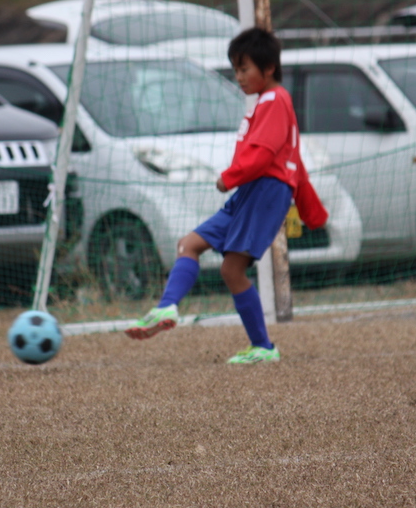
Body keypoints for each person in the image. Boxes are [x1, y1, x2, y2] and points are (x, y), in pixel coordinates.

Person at [124, 26, 328, 363]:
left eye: (244, 69)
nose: (239, 77)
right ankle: (166, 308)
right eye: (236, 69)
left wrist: (229, 177)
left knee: (231, 270)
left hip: (264, 192)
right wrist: (312, 211)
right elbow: (295, 163)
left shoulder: (275, 101)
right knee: (189, 244)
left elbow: (264, 156)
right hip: (252, 191)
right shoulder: (270, 102)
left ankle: (263, 348)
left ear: (269, 68)